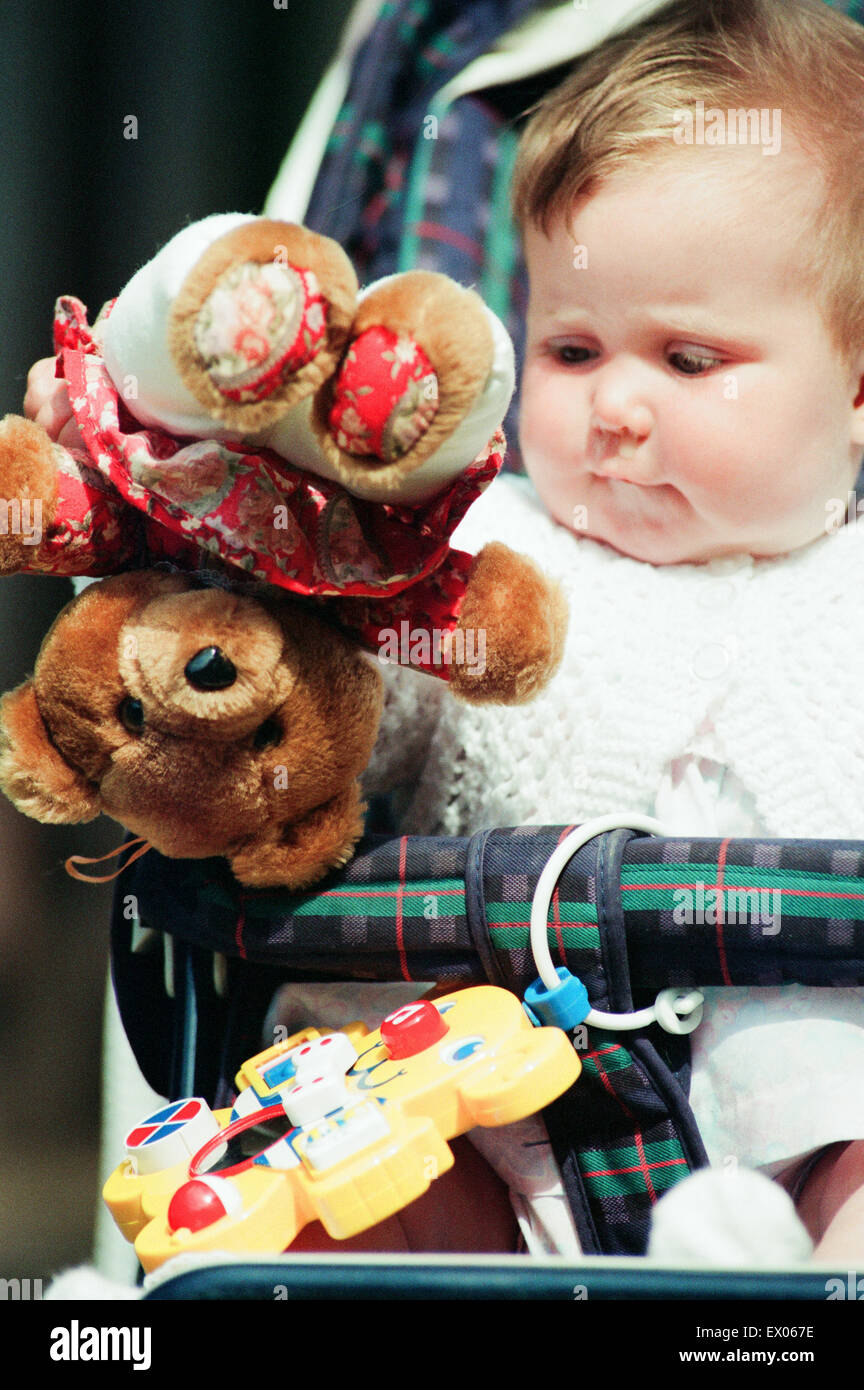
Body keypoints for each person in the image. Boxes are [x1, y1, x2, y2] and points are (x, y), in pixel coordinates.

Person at [24, 0, 864, 1262]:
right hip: (475, 1125)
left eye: (689, 360)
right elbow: (335, 688)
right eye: (574, 349)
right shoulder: (476, 554)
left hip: (805, 1132)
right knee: (315, 1184)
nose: (618, 408)